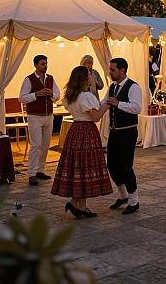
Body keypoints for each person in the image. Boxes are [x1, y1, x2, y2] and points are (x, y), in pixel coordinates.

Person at [51, 66, 112, 218]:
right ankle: (80, 206)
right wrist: (108, 104)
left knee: (79, 169)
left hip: (75, 131)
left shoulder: (71, 95)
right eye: (89, 75)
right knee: (85, 169)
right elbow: (96, 117)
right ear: (85, 79)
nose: (91, 77)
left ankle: (77, 204)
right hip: (86, 132)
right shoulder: (85, 97)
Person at [101, 58, 142, 215]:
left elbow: (137, 107)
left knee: (126, 166)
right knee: (111, 165)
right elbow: (104, 102)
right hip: (114, 131)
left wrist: (118, 104)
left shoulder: (134, 87)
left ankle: (134, 200)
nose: (110, 72)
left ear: (122, 70)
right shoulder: (112, 87)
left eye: (112, 70)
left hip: (128, 131)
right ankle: (123, 195)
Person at [19, 55, 60, 186]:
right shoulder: (29, 79)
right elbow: (22, 98)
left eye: (46, 63)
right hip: (34, 116)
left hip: (49, 116)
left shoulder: (50, 78)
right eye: (42, 64)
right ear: (36, 65)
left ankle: (40, 170)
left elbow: (58, 95)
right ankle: (31, 174)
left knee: (46, 144)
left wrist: (51, 94)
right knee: (36, 145)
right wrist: (36, 94)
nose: (45, 66)